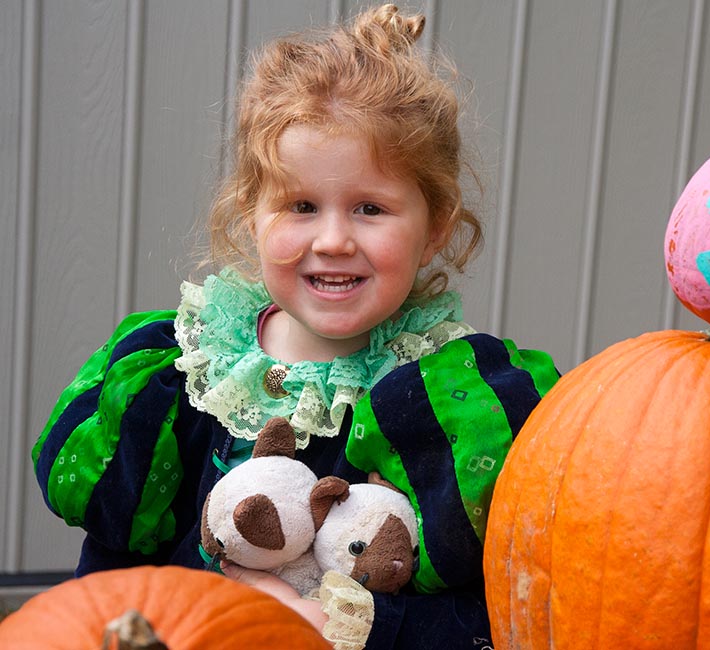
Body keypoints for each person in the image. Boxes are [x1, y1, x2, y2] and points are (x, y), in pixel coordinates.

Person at [32, 4, 559, 648]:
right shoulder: (183, 374)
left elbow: (496, 617)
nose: (333, 239)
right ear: (251, 215)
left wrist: (331, 624)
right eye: (302, 206)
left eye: (371, 208)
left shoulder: (451, 407)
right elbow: (112, 582)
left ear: (435, 230)